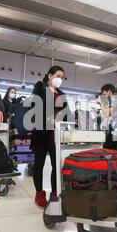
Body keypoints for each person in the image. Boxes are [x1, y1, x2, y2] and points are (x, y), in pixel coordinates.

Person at [31, 66, 73, 207]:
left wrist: (73, 122)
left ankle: (54, 193)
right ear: (49, 75)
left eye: (62, 77)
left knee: (57, 166)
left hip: (56, 136)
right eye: (57, 75)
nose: (60, 79)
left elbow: (67, 113)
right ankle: (39, 193)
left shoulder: (61, 93)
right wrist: (47, 119)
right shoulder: (40, 88)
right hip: (41, 133)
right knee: (39, 165)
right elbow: (34, 107)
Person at [97, 84, 117, 149]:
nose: (103, 95)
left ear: (109, 91)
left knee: (108, 150)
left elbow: (107, 114)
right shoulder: (110, 101)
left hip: (116, 131)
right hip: (111, 130)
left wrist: (101, 103)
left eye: (103, 92)